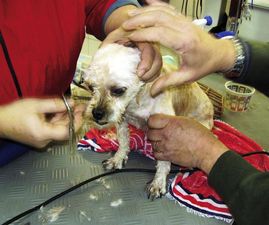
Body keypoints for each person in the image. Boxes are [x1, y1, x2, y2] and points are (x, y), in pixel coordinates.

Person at [111, 1, 269, 225]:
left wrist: (204, 152)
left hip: (198, 117)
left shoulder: (157, 91)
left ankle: (160, 178)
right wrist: (225, 53)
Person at [0, 0, 162, 165]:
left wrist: (129, 25)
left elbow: (101, 4)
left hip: (59, 121)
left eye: (118, 91)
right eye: (92, 89)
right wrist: (3, 122)